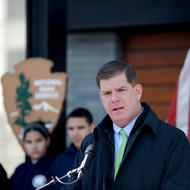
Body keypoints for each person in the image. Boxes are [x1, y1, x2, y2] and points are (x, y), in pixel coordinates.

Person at [65, 60, 190, 190]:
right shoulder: (90, 144)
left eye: (121, 90)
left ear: (137, 92)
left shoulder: (173, 140)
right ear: (101, 98)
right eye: (107, 93)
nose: (114, 99)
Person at [49, 108, 95, 190]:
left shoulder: (104, 155)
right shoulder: (59, 162)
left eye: (80, 128)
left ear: (92, 127)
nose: (75, 133)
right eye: (71, 129)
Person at [10, 121, 55, 190]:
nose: (34, 146)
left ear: (48, 141)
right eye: (29, 142)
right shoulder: (19, 169)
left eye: (39, 140)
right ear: (24, 144)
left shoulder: (56, 166)